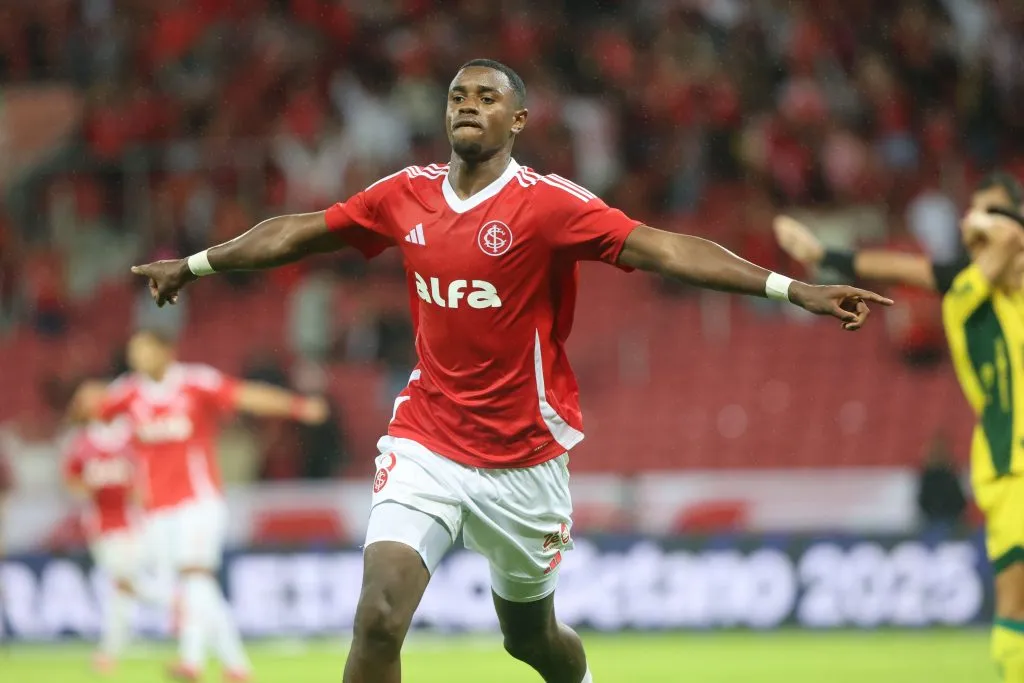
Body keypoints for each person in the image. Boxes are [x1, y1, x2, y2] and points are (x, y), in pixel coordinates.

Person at [127, 59, 892, 683]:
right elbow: (299, 231)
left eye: (486, 97)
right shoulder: (406, 194)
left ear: (517, 121)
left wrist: (792, 288)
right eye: (457, 95)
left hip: (524, 459)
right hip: (427, 438)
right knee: (379, 616)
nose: (467, 105)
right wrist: (195, 264)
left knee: (530, 641)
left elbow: (662, 247)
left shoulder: (546, 206)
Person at [774, 172, 1024, 682]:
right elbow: (908, 267)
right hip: (1012, 463)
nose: (983, 225)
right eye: (978, 217)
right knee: (1013, 598)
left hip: (1004, 464)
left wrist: (828, 256)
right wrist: (828, 260)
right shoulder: (967, 288)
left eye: (994, 213)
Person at [70, 329, 328, 682]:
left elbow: (245, 395)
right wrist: (84, 400)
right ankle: (237, 668)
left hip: (199, 499)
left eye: (145, 351)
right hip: (157, 508)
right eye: (134, 352)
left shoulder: (195, 382)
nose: (138, 359)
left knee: (194, 574)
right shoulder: (128, 392)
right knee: (196, 585)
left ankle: (190, 661)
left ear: (166, 351)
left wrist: (296, 406)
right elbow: (89, 409)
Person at [63, 416, 154, 673]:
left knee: (122, 584)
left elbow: (145, 475)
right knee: (124, 585)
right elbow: (72, 479)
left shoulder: (130, 436)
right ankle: (175, 600)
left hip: (133, 523)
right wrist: (89, 490)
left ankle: (110, 650)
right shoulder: (81, 442)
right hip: (101, 525)